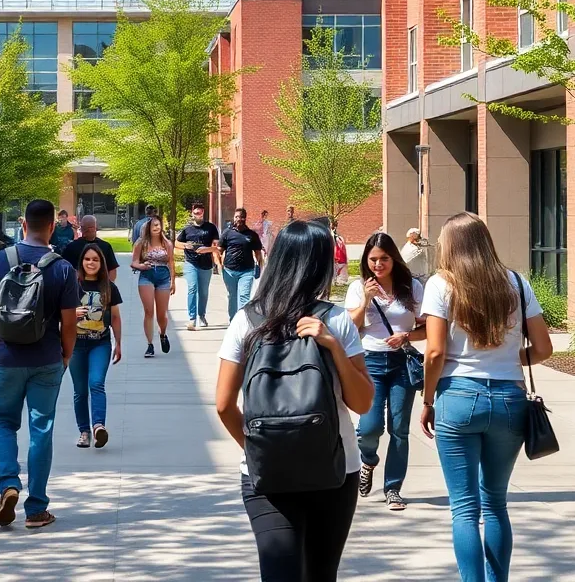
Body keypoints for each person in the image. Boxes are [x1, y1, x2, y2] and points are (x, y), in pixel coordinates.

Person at [215, 219, 373, 582]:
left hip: (266, 473)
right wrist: (333, 343)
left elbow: (224, 405)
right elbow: (362, 403)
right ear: (315, 265)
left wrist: (261, 447)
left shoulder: (246, 320)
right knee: (321, 574)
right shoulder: (336, 320)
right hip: (334, 469)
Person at [419, 212, 553, 582]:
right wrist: (509, 357)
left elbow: (434, 353)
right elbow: (543, 348)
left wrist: (428, 400)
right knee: (495, 503)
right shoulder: (517, 283)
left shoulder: (441, 285)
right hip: (509, 398)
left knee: (464, 509)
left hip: (458, 397)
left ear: (449, 245)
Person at [0, 199, 81, 529]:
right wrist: (66, 354)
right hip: (47, 358)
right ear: (53, 226)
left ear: (23, 224)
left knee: (4, 424)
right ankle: (36, 508)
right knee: (42, 429)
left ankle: (8, 483)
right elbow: (69, 322)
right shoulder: (63, 267)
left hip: (9, 358)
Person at [343, 231, 425, 510]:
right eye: (373, 259)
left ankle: (393, 488)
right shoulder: (358, 287)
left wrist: (406, 337)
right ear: (366, 261)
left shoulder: (412, 287)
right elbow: (351, 329)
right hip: (370, 362)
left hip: (402, 362)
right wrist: (366, 300)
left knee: (399, 429)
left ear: (394, 259)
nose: (379, 265)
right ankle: (367, 460)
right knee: (369, 428)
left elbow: (428, 327)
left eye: (384, 259)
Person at [70, 243, 123, 448]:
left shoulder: (109, 287)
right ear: (81, 262)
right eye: (87, 259)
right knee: (80, 391)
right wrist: (71, 315)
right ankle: (84, 431)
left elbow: (116, 318)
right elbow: (59, 315)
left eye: (95, 259)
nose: (91, 263)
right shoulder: (72, 286)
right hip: (75, 344)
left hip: (100, 343)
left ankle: (98, 426)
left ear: (101, 263)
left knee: (96, 383)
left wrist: (118, 343)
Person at [131, 215, 175, 355]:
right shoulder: (141, 243)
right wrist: (142, 266)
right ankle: (149, 345)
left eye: (158, 225)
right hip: (146, 276)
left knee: (162, 314)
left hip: (163, 277)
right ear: (148, 228)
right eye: (154, 225)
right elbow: (134, 262)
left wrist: (173, 281)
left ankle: (162, 334)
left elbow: (171, 263)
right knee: (149, 311)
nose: (157, 227)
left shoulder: (166, 243)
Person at [176, 203, 221, 330]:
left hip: (206, 264)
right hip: (191, 262)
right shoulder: (187, 229)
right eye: (195, 213)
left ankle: (201, 315)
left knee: (204, 292)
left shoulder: (211, 228)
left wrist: (206, 249)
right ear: (192, 213)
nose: (197, 215)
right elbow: (176, 243)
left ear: (203, 213)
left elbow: (217, 247)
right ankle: (192, 318)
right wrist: (186, 246)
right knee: (192, 288)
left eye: (200, 212)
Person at [218, 207, 264, 321]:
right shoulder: (227, 233)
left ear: (245, 218)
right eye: (236, 217)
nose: (238, 219)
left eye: (241, 217)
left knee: (244, 296)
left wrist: (260, 267)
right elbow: (219, 250)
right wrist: (219, 265)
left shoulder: (252, 235)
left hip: (247, 271)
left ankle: (241, 322)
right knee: (232, 296)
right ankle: (233, 320)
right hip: (229, 270)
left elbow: (258, 253)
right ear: (234, 218)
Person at [61, 215, 119, 282]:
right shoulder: (105, 246)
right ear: (95, 227)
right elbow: (112, 270)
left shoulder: (72, 246)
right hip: (81, 287)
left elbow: (112, 270)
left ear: (82, 228)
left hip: (83, 287)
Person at [332, 220, 349, 285]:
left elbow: (343, 249)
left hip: (340, 259)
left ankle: (339, 280)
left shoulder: (339, 238)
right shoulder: (332, 237)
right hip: (335, 259)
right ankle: (335, 280)